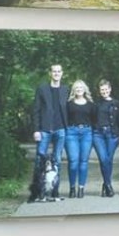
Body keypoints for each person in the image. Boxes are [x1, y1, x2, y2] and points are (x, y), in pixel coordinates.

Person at [30, 61, 69, 203]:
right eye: (54, 71)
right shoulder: (42, 89)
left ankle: (54, 193)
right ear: (50, 73)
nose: (56, 73)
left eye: (59, 71)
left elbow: (70, 109)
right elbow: (36, 110)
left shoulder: (66, 89)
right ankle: (37, 193)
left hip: (61, 130)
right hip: (44, 130)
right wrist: (36, 129)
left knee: (57, 161)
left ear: (62, 73)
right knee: (39, 161)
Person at [91, 71, 119, 196]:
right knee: (103, 159)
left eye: (106, 89)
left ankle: (106, 185)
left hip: (112, 134)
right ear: (99, 91)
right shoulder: (96, 104)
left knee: (109, 160)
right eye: (102, 90)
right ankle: (108, 185)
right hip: (98, 134)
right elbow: (91, 119)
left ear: (110, 89)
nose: (104, 92)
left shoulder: (116, 103)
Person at [64, 76, 97, 197]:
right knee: (73, 161)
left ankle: (81, 188)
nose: (79, 89)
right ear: (74, 90)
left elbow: (94, 120)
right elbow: (65, 119)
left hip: (87, 133)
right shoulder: (68, 104)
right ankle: (72, 187)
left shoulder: (91, 105)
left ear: (85, 89)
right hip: (71, 133)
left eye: (81, 87)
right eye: (76, 87)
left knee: (83, 161)